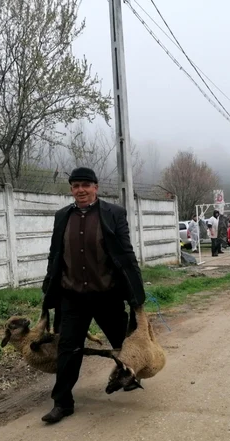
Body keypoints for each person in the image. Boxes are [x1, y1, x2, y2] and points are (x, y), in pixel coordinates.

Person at [40, 167, 145, 424]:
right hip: (73, 296)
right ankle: (62, 403)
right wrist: (49, 286)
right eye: (76, 186)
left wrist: (136, 291)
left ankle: (130, 376)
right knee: (68, 349)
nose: (81, 190)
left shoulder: (113, 214)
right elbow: (55, 254)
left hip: (107, 294)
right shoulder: (62, 216)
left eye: (86, 185)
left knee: (124, 342)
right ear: (71, 189)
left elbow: (125, 254)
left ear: (96, 187)